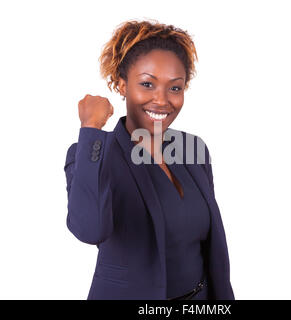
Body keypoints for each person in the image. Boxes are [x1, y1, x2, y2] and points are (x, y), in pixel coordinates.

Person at [64, 19, 234, 300]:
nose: (162, 100)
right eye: (147, 84)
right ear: (121, 85)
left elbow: (207, 245)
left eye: (175, 88)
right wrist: (90, 129)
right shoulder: (95, 153)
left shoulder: (192, 148)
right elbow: (89, 229)